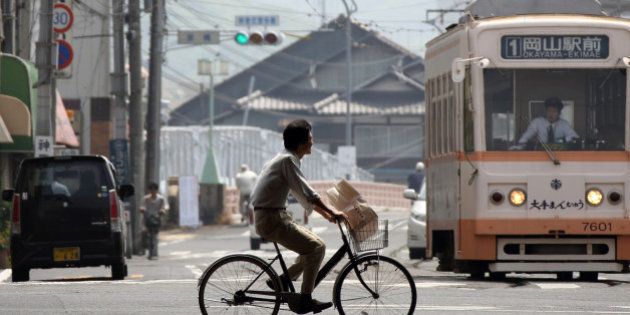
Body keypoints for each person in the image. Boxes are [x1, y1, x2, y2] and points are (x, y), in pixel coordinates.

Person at [250, 119, 348, 314]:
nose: (313, 142)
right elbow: (308, 192)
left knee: (315, 245)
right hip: (272, 219)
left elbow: (301, 194)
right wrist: (332, 212)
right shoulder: (287, 160)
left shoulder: (284, 159)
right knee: (316, 248)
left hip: (274, 216)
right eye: (310, 138)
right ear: (301, 142)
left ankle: (282, 280)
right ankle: (305, 299)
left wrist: (327, 214)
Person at [511, 97, 579, 150]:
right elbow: (525, 138)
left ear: (559, 113)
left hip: (559, 156)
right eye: (549, 111)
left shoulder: (564, 124)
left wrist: (562, 140)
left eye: (554, 111)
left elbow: (575, 138)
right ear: (545, 111)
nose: (551, 114)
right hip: (540, 155)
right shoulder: (537, 122)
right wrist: (519, 147)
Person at [140, 182, 168, 260]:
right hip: (148, 219)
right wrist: (142, 209)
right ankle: (147, 251)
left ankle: (154, 253)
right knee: (146, 235)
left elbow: (165, 207)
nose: (152, 191)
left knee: (155, 236)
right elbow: (142, 207)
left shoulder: (161, 199)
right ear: (149, 190)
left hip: (157, 219)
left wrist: (163, 210)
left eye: (154, 189)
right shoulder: (146, 199)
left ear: (156, 190)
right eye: (151, 189)